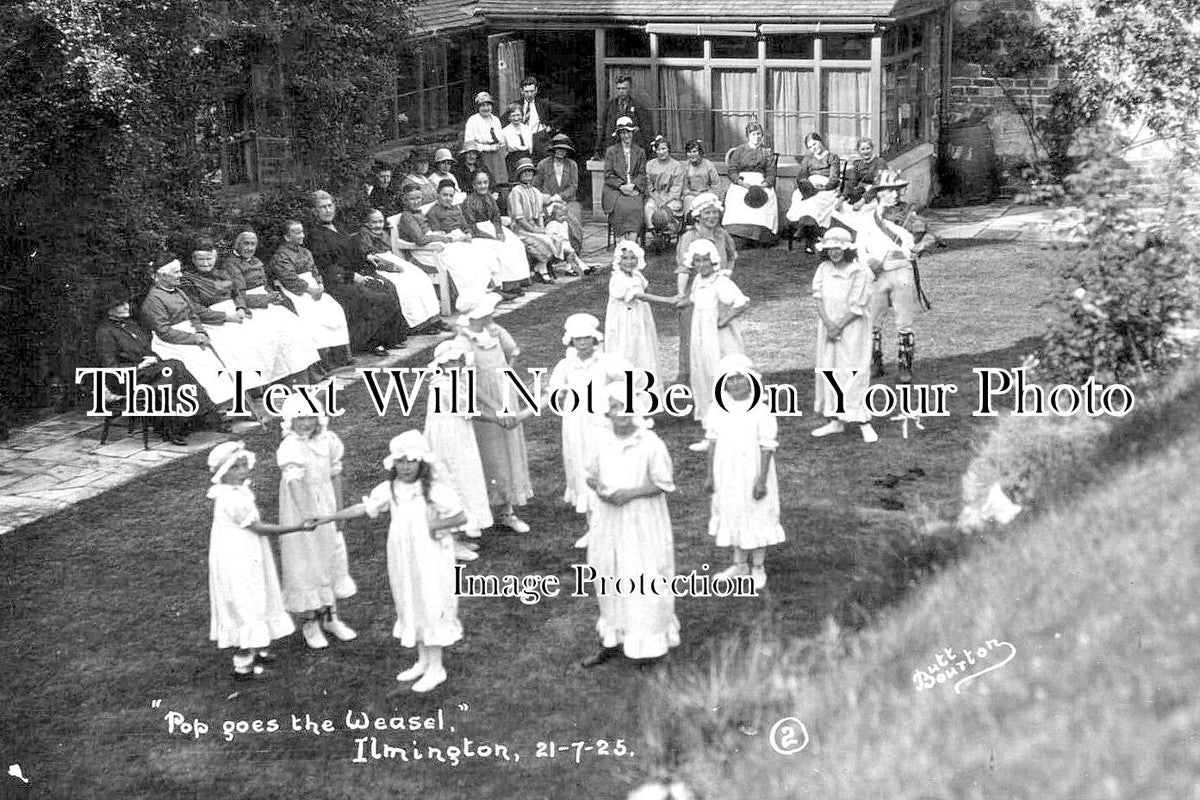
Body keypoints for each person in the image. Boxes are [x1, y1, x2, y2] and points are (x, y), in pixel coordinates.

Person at [322, 431, 467, 693]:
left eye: (412, 461)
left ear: (422, 462)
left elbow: (459, 517)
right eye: (401, 461)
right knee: (410, 599)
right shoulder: (390, 489)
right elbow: (363, 509)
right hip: (403, 555)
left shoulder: (434, 490)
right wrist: (328, 518)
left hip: (430, 555)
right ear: (393, 463)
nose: (406, 466)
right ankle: (423, 661)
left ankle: (437, 667)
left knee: (432, 601)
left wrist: (436, 524)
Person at [580, 382, 680, 667]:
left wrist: (630, 493)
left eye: (625, 407)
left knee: (642, 575)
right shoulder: (600, 441)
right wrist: (600, 489)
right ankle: (614, 638)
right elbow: (591, 475)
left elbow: (663, 483)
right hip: (608, 518)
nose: (620, 413)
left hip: (641, 519)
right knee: (608, 572)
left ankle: (648, 644)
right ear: (607, 412)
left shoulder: (651, 443)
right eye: (614, 407)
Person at [206, 441, 311, 681]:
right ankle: (243, 665)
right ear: (224, 472)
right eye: (236, 467)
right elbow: (260, 528)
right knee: (244, 602)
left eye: (244, 465)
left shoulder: (237, 491)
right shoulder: (232, 499)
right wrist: (297, 527)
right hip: (237, 558)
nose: (244, 470)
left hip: (246, 552)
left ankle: (256, 648)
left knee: (257, 595)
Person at [181, 236, 321, 388]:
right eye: (201, 260)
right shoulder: (189, 281)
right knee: (247, 344)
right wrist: (227, 317)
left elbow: (236, 293)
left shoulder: (221, 273)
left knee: (268, 335)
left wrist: (241, 307)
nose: (206, 263)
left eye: (209, 259)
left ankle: (285, 378)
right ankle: (256, 387)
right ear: (193, 260)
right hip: (215, 320)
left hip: (237, 312)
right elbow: (196, 309)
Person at [537, 314, 628, 549]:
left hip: (601, 424)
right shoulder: (565, 365)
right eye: (578, 339)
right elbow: (552, 394)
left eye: (587, 338)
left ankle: (614, 525)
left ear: (594, 339)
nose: (583, 343)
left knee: (607, 468)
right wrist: (524, 414)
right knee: (582, 469)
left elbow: (632, 380)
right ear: (571, 342)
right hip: (576, 426)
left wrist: (619, 404)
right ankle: (594, 528)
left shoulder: (607, 362)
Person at [276, 393, 357, 650]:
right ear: (290, 420)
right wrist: (305, 514)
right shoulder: (290, 446)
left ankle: (330, 617)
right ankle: (310, 622)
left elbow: (335, 475)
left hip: (327, 504)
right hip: (301, 509)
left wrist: (339, 511)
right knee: (306, 562)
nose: (306, 422)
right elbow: (294, 481)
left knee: (331, 556)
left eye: (311, 416)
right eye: (300, 418)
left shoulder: (329, 440)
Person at [702, 353, 784, 591]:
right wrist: (710, 475)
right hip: (727, 471)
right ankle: (740, 564)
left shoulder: (761, 410)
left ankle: (758, 565)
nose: (735, 383)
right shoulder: (718, 409)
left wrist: (761, 479)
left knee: (755, 513)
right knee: (733, 511)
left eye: (740, 378)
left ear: (751, 380)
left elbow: (767, 447)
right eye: (730, 380)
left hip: (752, 471)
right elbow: (712, 442)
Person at [454, 291, 533, 533]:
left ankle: (507, 509)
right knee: (490, 453)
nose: (492, 313)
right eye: (488, 310)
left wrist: (508, 371)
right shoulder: (462, 342)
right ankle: (482, 507)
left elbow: (513, 352)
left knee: (508, 448)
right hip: (483, 401)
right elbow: (469, 383)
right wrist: (496, 407)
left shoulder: (495, 331)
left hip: (503, 391)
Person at [838, 169, 927, 383]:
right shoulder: (869, 219)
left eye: (897, 190)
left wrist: (916, 247)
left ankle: (905, 365)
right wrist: (869, 262)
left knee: (904, 322)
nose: (895, 195)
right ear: (879, 193)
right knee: (873, 321)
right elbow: (859, 247)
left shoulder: (909, 216)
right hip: (876, 274)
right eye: (890, 190)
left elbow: (916, 242)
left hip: (901, 271)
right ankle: (874, 362)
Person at [95, 294, 219, 444]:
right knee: (172, 369)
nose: (126, 307)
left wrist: (153, 360)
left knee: (173, 370)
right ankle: (199, 416)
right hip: (124, 379)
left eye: (126, 302)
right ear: (109, 310)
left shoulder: (130, 324)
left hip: (146, 373)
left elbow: (146, 350)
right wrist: (138, 366)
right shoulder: (105, 332)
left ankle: (176, 424)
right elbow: (110, 367)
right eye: (119, 305)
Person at [306, 190, 410, 356]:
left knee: (388, 287)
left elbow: (353, 247)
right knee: (369, 297)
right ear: (314, 211)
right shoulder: (315, 235)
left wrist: (366, 255)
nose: (328, 210)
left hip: (354, 272)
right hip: (336, 281)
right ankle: (369, 342)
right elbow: (324, 266)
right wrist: (352, 276)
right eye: (322, 207)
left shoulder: (338, 226)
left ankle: (389, 338)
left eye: (330, 205)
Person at [140, 253, 251, 406]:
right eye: (176, 272)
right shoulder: (153, 300)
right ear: (163, 276)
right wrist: (194, 338)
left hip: (192, 334)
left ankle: (232, 403)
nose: (180, 275)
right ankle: (216, 407)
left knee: (225, 356)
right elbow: (164, 332)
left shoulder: (179, 291)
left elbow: (194, 315)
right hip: (172, 343)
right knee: (205, 367)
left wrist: (200, 331)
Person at [423, 339, 490, 562]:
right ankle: (450, 539)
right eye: (451, 363)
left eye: (459, 362)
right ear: (440, 365)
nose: (457, 366)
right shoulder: (443, 385)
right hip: (447, 438)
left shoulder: (457, 381)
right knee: (452, 479)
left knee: (465, 476)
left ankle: (459, 534)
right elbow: (467, 408)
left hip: (458, 433)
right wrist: (500, 419)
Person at [810, 227, 877, 442]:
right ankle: (836, 420)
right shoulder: (823, 268)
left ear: (847, 249)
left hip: (853, 328)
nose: (834, 252)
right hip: (828, 328)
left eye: (838, 248)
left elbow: (858, 304)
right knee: (830, 368)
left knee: (853, 370)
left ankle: (863, 421)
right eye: (830, 249)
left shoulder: (860, 271)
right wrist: (829, 324)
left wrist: (839, 326)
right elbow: (818, 296)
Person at [267, 220, 353, 368]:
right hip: (296, 291)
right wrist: (310, 290)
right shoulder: (281, 256)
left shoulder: (306, 252)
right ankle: (323, 362)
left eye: (302, 232)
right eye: (297, 233)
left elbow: (315, 271)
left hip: (314, 288)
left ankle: (340, 357)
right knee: (311, 315)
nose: (302, 235)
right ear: (287, 237)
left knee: (334, 308)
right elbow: (289, 279)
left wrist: (319, 285)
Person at [397, 181, 505, 300]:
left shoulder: (418, 212)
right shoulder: (407, 217)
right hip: (423, 251)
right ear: (405, 200)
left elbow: (428, 234)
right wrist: (442, 237)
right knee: (459, 258)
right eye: (412, 199)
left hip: (433, 245)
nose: (416, 201)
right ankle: (469, 296)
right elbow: (420, 239)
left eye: (418, 198)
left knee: (471, 254)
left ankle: (482, 291)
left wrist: (438, 235)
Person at [683, 238, 750, 422]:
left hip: (719, 338)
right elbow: (695, 299)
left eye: (705, 260)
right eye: (697, 260)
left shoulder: (721, 281)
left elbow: (741, 302)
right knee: (702, 373)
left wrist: (725, 319)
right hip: (701, 336)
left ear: (713, 260)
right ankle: (708, 423)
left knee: (718, 374)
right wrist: (680, 301)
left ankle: (727, 420)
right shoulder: (698, 280)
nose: (702, 264)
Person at [350, 208, 446, 334]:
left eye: (380, 222)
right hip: (377, 264)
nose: (378, 225)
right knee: (403, 285)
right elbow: (370, 258)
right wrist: (392, 267)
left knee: (420, 277)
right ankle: (416, 325)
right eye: (373, 222)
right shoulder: (363, 236)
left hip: (391, 258)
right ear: (366, 224)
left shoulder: (383, 234)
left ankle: (432, 318)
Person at [675, 192, 738, 384]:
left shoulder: (723, 234)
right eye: (707, 213)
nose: (712, 217)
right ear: (698, 215)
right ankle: (686, 373)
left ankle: (723, 373)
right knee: (691, 334)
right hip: (696, 291)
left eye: (714, 212)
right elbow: (684, 267)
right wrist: (680, 293)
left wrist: (726, 275)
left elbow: (732, 255)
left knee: (721, 332)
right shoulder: (689, 237)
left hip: (718, 291)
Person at [604, 240, 675, 381]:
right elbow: (639, 295)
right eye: (625, 258)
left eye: (632, 258)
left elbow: (646, 290)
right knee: (626, 349)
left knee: (643, 347)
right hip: (623, 321)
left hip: (640, 316)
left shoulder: (637, 275)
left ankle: (646, 388)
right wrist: (667, 300)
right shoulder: (617, 278)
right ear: (619, 260)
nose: (629, 262)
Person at [460, 170, 533, 290]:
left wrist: (499, 231)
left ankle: (518, 281)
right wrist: (491, 237)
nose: (483, 186)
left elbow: (496, 217)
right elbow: (471, 226)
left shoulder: (489, 197)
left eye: (485, 182)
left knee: (516, 244)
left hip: (492, 226)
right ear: (473, 185)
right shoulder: (469, 202)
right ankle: (506, 285)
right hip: (478, 233)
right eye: (479, 183)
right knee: (501, 248)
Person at [786, 132, 844, 253]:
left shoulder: (832, 157)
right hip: (810, 186)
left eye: (815, 144)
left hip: (826, 188)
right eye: (810, 147)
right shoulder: (808, 159)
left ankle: (804, 230)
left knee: (812, 200)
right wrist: (806, 185)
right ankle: (804, 228)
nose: (814, 148)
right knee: (798, 195)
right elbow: (802, 175)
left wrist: (822, 188)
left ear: (821, 141)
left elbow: (834, 179)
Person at [722, 122, 779, 245]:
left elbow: (771, 172)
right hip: (742, 181)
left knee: (769, 196)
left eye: (759, 134)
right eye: (754, 134)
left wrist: (764, 184)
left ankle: (761, 235)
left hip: (760, 180)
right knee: (735, 196)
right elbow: (732, 170)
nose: (757, 137)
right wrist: (741, 182)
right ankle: (737, 234)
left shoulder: (766, 152)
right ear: (748, 135)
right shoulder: (739, 150)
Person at [507, 157, 558, 283]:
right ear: (519, 175)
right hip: (520, 230)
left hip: (534, 227)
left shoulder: (535, 191)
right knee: (544, 242)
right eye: (524, 172)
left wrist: (541, 229)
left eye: (530, 171)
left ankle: (540, 267)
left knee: (554, 239)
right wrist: (535, 231)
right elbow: (519, 218)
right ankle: (543, 271)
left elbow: (540, 213)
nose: (528, 174)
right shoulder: (516, 192)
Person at [534, 133, 585, 254]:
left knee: (572, 217)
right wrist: (547, 198)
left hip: (568, 201)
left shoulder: (572, 165)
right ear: (553, 149)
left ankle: (573, 250)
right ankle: (552, 250)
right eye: (558, 149)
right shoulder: (543, 164)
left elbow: (574, 186)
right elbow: (536, 186)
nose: (560, 152)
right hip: (548, 201)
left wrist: (560, 196)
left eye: (564, 149)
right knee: (549, 218)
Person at [603, 116, 648, 241]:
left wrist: (632, 185)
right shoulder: (611, 151)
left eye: (628, 132)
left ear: (633, 133)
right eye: (623, 132)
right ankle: (622, 239)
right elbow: (608, 175)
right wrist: (621, 186)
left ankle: (632, 240)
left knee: (636, 207)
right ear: (619, 134)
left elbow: (642, 173)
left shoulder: (640, 152)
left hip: (634, 188)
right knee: (621, 207)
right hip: (616, 190)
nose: (626, 135)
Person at [597, 75, 654, 156]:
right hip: (614, 148)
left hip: (632, 149)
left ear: (629, 89)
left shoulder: (637, 106)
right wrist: (598, 150)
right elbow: (603, 128)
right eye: (619, 88)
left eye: (624, 88)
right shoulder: (610, 106)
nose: (621, 91)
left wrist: (648, 152)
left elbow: (646, 129)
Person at [644, 135, 685, 238]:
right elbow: (649, 186)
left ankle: (669, 230)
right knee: (648, 207)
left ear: (669, 149)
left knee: (668, 210)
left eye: (663, 149)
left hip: (671, 198)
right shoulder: (650, 165)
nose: (661, 152)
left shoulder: (676, 166)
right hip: (656, 196)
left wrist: (665, 201)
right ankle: (654, 231)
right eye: (658, 149)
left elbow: (677, 187)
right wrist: (656, 199)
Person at [518, 75, 568, 159]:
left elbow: (564, 112)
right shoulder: (517, 105)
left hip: (540, 138)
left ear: (536, 90)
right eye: (526, 92)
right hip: (522, 140)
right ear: (521, 91)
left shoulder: (543, 104)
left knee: (543, 165)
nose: (530, 94)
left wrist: (551, 127)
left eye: (532, 91)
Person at [463, 91, 508, 185]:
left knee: (501, 180)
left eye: (488, 105)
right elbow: (469, 143)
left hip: (498, 155)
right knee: (487, 179)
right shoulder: (473, 121)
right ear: (478, 107)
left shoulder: (495, 120)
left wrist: (501, 145)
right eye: (482, 106)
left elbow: (501, 137)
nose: (486, 108)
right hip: (483, 156)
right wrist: (488, 148)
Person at [841, 137, 889, 207]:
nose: (866, 152)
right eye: (863, 149)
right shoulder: (858, 164)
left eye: (868, 148)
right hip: (862, 193)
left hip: (876, 194)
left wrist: (862, 202)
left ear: (872, 149)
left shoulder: (880, 162)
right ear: (858, 151)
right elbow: (851, 182)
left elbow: (877, 185)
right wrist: (842, 198)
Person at [681, 140, 723, 218]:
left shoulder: (708, 165)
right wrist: (694, 194)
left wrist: (705, 194)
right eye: (689, 152)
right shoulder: (685, 166)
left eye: (694, 151)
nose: (692, 155)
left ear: (700, 152)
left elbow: (716, 185)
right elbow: (684, 187)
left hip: (708, 194)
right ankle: (689, 224)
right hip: (692, 195)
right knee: (688, 200)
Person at [545, 201, 588, 276]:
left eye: (564, 215)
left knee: (573, 253)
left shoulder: (565, 223)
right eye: (560, 216)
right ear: (554, 216)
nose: (563, 217)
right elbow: (550, 235)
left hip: (565, 244)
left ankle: (583, 268)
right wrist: (557, 241)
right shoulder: (553, 224)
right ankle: (577, 268)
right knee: (571, 252)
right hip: (557, 245)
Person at [501, 104, 535, 180]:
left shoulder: (527, 129)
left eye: (518, 115)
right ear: (509, 117)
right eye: (513, 116)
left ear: (522, 115)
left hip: (527, 158)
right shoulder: (504, 131)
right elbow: (504, 151)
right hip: (513, 160)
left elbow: (530, 148)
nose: (516, 118)